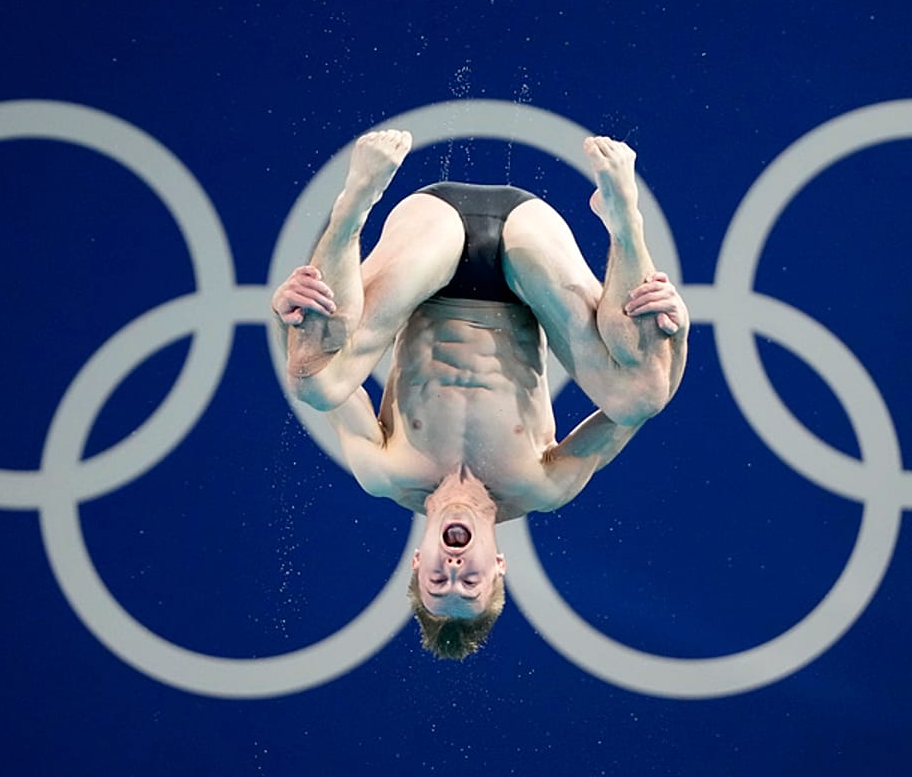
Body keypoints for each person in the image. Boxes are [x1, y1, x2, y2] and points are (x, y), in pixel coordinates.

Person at [272, 130, 687, 659]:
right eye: (469, 586)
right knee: (638, 394)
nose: (453, 572)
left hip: (428, 243)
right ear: (497, 567)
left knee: (316, 379)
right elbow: (651, 396)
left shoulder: (385, 472)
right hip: (526, 259)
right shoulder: (542, 486)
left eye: (437, 584)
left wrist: (291, 316)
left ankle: (353, 204)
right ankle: (625, 220)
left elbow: (311, 373)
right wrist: (679, 327)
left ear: (417, 563)